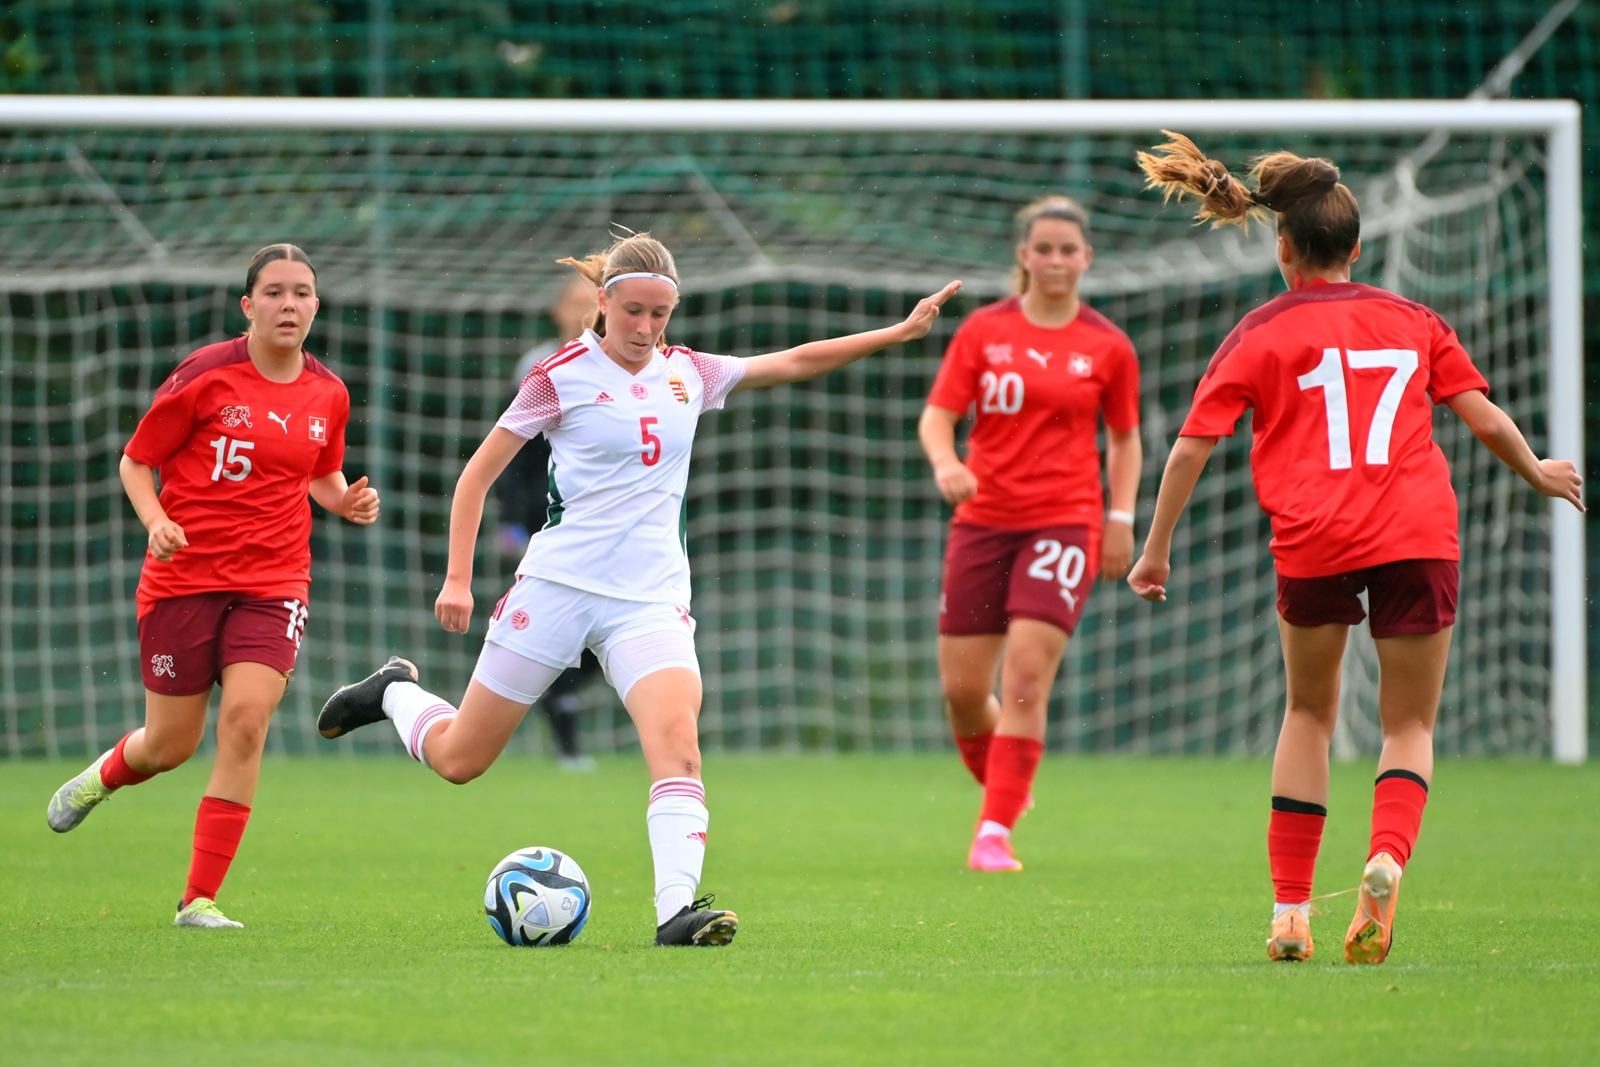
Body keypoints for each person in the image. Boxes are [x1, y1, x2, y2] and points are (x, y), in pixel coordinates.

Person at [319, 232, 960, 946]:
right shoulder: (557, 376)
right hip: (557, 584)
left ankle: (675, 912)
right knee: (461, 759)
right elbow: (476, 476)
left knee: (678, 744)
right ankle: (394, 691)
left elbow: (797, 359)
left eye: (660, 313)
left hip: (649, 599)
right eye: (633, 312)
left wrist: (899, 331)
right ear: (603, 302)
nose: (647, 328)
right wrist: (459, 578)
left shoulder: (690, 372)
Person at [1127, 133, 1583, 964]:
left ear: (1283, 247)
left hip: (1314, 538)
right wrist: (1536, 471)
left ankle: (1291, 911)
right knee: (1408, 722)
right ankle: (1386, 858)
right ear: (1359, 247)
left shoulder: (1260, 333)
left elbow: (1192, 446)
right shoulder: (1414, 321)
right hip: (1416, 532)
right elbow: (1483, 415)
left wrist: (1154, 550)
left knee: (1308, 711)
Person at [46, 244, 380, 929]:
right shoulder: (206, 375)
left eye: (303, 293)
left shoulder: (329, 392)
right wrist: (157, 519)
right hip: (184, 577)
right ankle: (103, 775)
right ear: (247, 305)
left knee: (246, 721)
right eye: (276, 292)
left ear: (317, 306)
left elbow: (321, 473)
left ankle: (197, 898)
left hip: (276, 579)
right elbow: (136, 461)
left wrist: (342, 500)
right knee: (169, 745)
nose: (290, 305)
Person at [919, 196, 1142, 872]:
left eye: (1067, 250)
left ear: (1086, 259)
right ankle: (1008, 789)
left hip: (1064, 522)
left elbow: (1125, 438)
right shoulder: (984, 331)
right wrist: (948, 462)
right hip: (984, 522)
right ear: (1024, 255)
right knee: (963, 691)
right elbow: (937, 417)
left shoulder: (1107, 345)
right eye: (1043, 248)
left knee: (1024, 679)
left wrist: (1121, 519)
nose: (1055, 260)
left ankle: (993, 831)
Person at [497, 274, 602, 770]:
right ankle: (562, 730)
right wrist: (510, 522)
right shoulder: (538, 368)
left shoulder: (623, 365)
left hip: (600, 526)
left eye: (592, 304)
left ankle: (557, 696)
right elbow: (512, 452)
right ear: (557, 311)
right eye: (574, 303)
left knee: (603, 636)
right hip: (544, 523)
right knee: (545, 627)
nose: (584, 313)